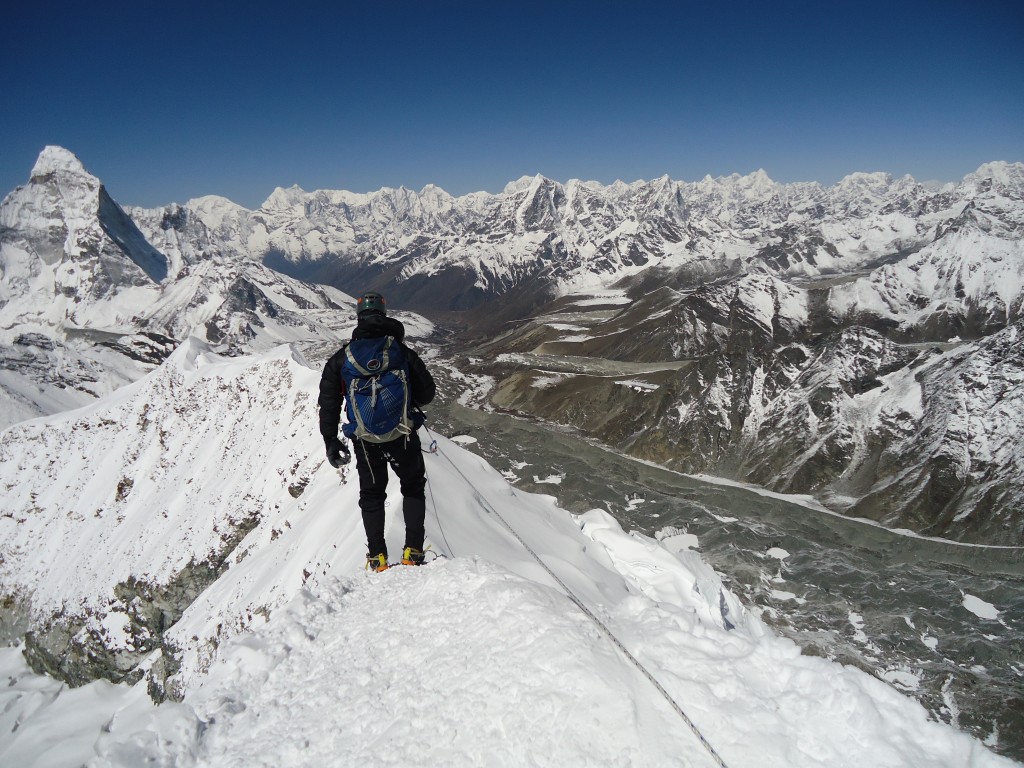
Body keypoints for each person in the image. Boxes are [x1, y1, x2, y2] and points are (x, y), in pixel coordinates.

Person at [318, 291, 437, 572]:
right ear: (384, 315)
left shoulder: (342, 359)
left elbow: (329, 402)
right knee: (412, 487)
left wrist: (330, 441)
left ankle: (377, 558)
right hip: (403, 434)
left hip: (365, 439)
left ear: (359, 318)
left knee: (372, 495)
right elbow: (428, 392)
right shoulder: (400, 351)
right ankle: (413, 552)